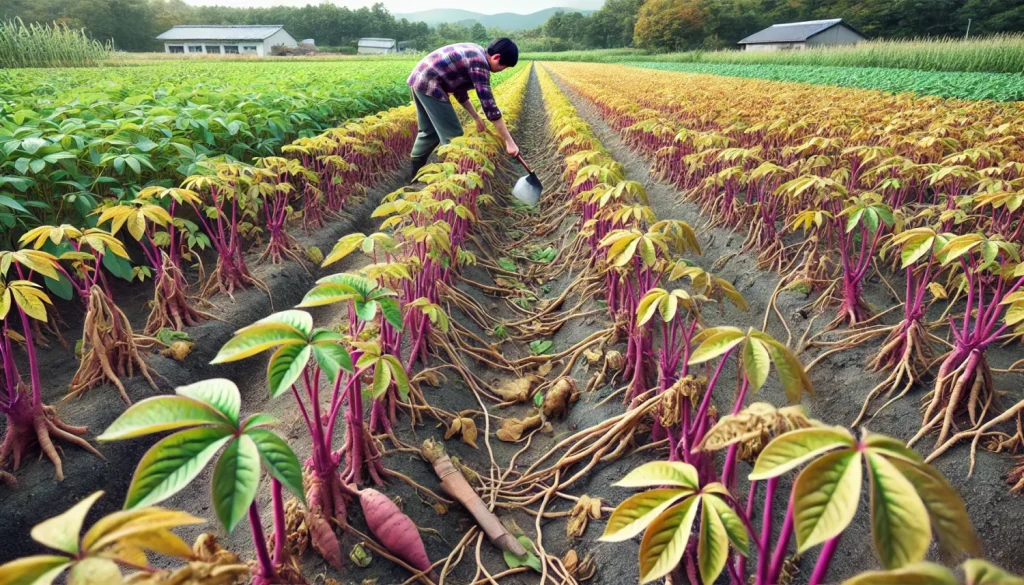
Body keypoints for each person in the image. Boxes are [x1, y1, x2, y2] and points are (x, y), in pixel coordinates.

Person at [406, 38, 521, 182]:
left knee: (429, 132)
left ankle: (414, 175)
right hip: (430, 84)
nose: (502, 70)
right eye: (504, 66)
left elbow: (459, 92)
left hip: (418, 79)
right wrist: (509, 142)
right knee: (455, 136)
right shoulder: (479, 63)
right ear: (496, 57)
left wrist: (476, 117)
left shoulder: (476, 52)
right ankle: (453, 180)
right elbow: (489, 105)